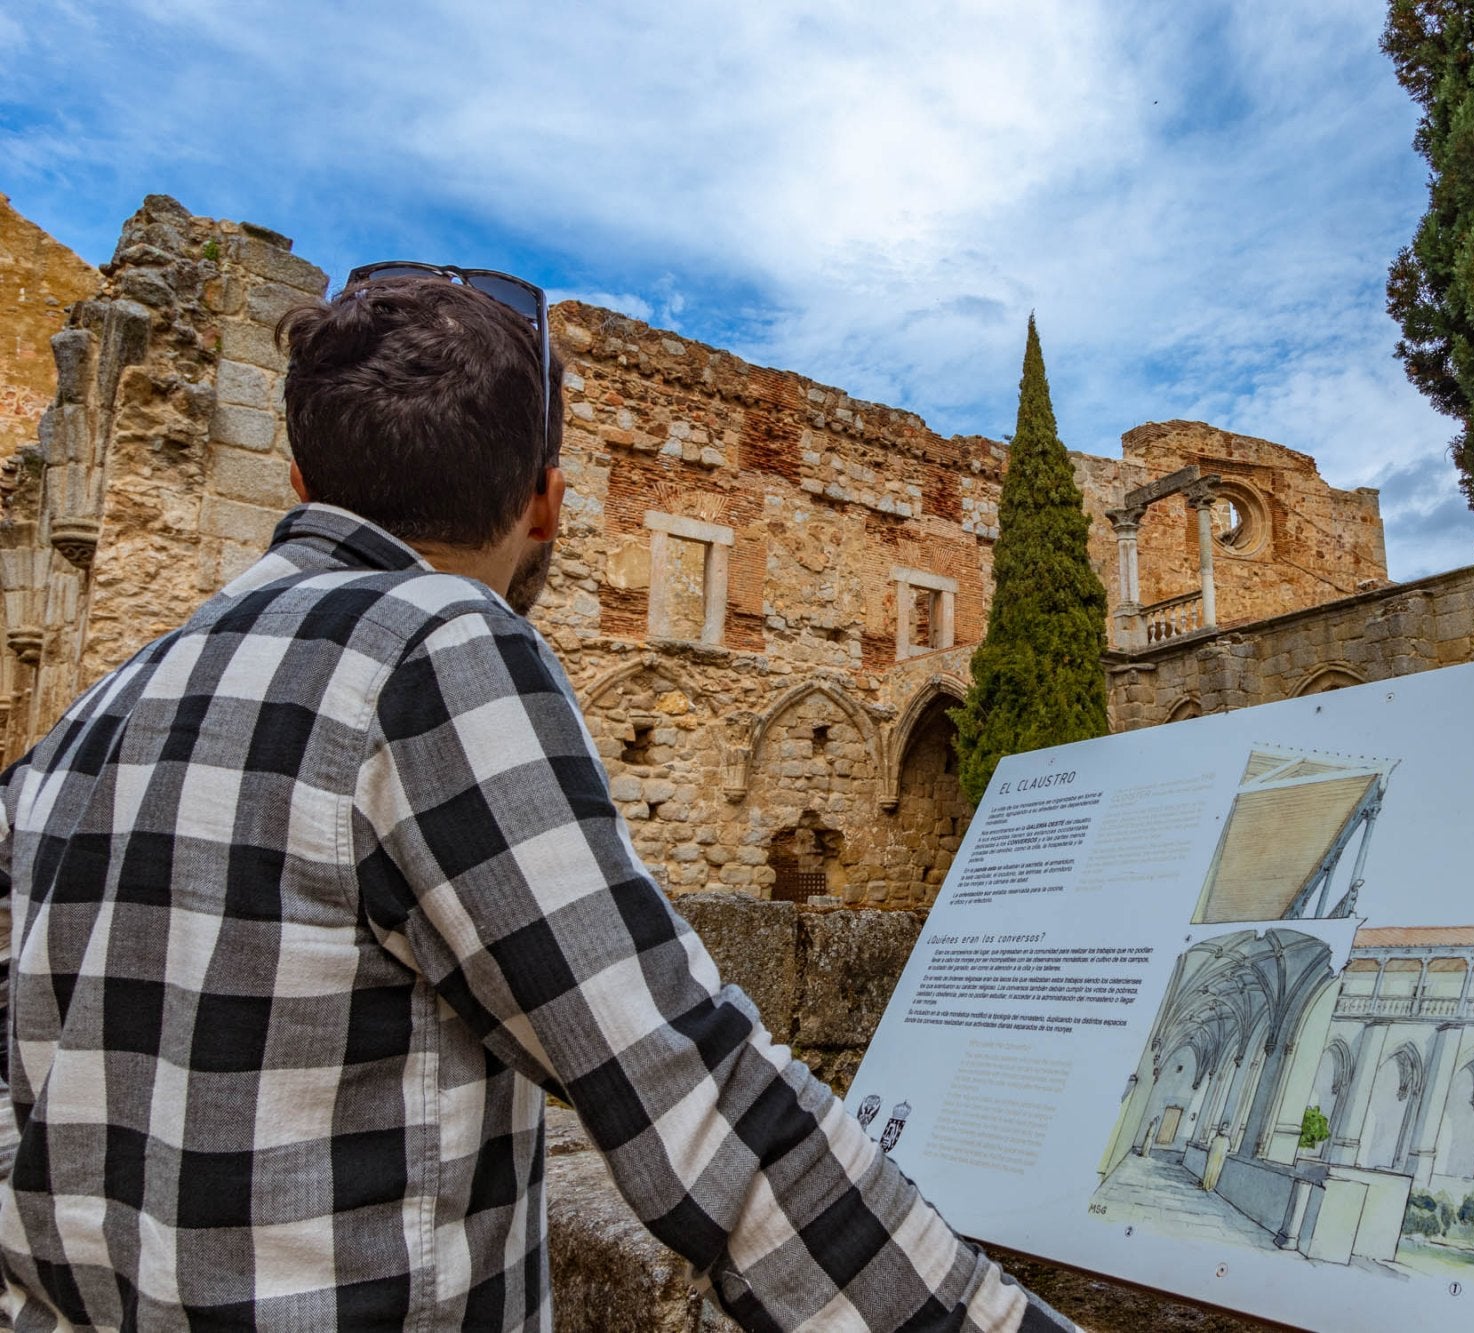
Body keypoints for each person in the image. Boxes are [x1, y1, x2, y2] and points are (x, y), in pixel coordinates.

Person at [0, 265, 1070, 1331]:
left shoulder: (93, 713)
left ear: (298, 480)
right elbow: (690, 1100)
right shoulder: (433, 650)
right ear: (547, 503)